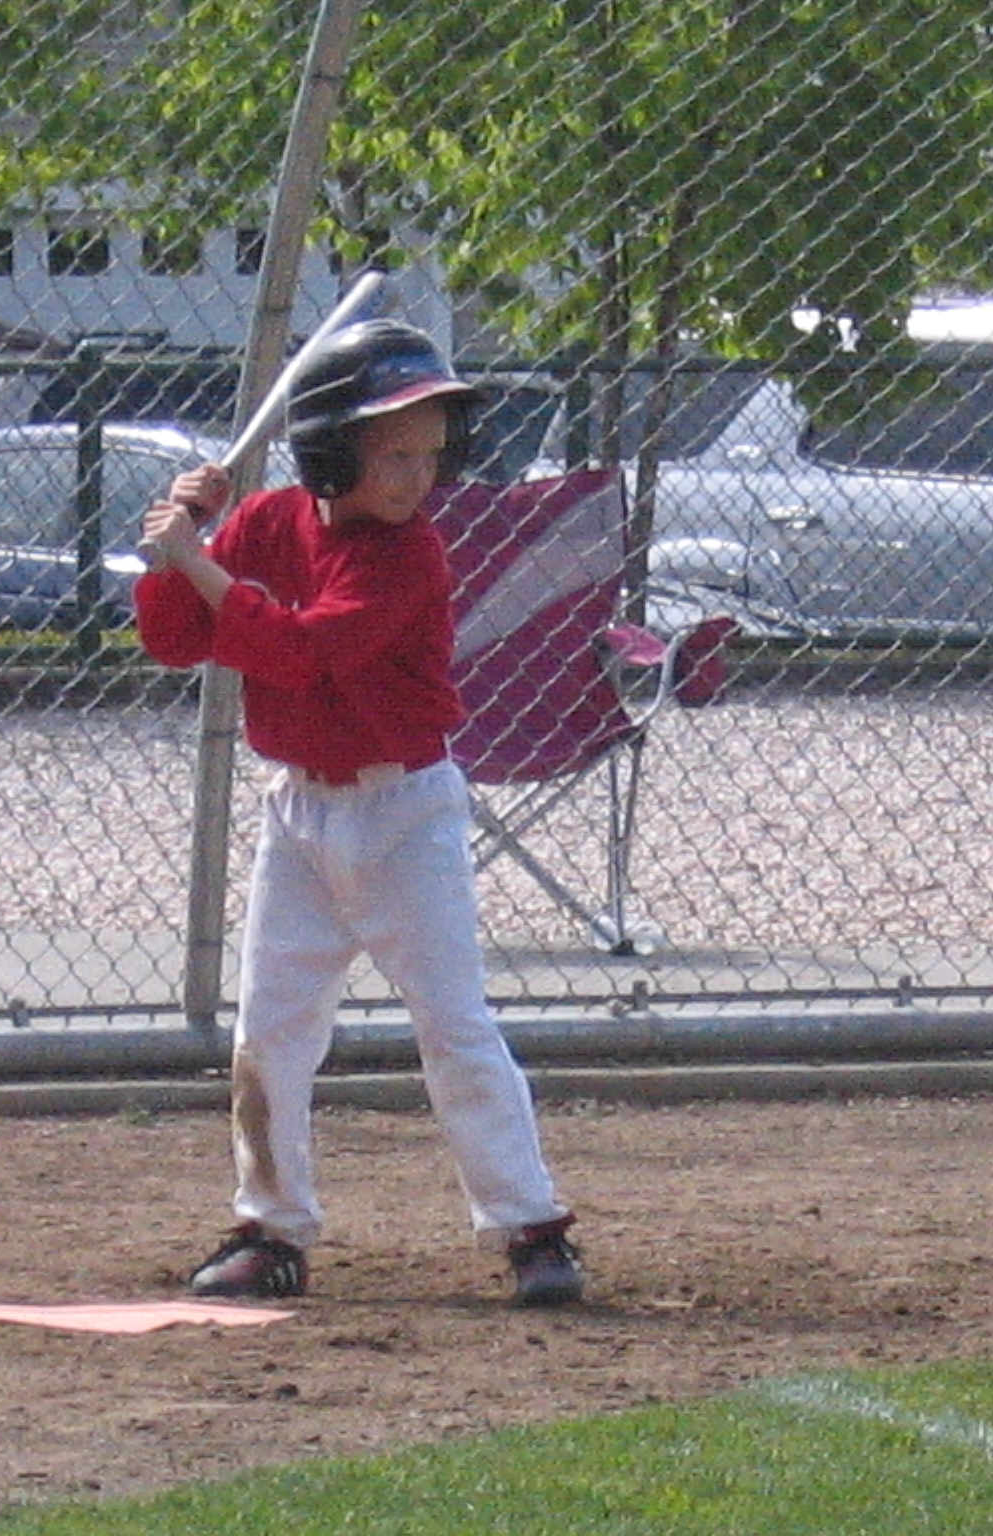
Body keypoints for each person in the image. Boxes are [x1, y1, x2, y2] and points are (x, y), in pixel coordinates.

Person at [134, 318, 585, 1307]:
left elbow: (300, 653)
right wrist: (175, 546)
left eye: (430, 454)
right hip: (298, 812)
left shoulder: (406, 555)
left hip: (404, 813)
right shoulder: (265, 526)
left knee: (452, 1025)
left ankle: (531, 1229)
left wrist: (201, 563)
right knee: (271, 1031)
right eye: (393, 454)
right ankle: (270, 1230)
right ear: (330, 450)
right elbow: (174, 641)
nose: (418, 476)